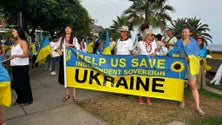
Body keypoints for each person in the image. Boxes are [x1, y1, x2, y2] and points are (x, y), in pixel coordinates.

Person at [171, 26, 205, 116]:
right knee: (180, 84)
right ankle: (182, 101)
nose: (184, 34)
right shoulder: (178, 42)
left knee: (193, 85)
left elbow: (197, 56)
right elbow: (174, 52)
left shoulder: (194, 43)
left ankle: (198, 107)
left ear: (190, 33)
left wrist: (190, 58)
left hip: (190, 66)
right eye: (183, 32)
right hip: (180, 65)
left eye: (186, 32)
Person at [55, 24, 80, 102]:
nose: (67, 30)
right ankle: (67, 94)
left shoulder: (74, 39)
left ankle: (74, 95)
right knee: (65, 77)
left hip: (72, 59)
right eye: (66, 28)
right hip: (64, 58)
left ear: (71, 30)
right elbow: (55, 47)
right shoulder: (61, 38)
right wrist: (58, 50)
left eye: (69, 28)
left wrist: (71, 45)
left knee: (72, 76)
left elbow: (78, 49)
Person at [9, 25, 33, 106]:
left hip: (22, 66)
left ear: (18, 32)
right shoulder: (15, 42)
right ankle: (19, 99)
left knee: (23, 84)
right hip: (15, 66)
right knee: (17, 84)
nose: (12, 33)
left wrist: (15, 56)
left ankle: (26, 100)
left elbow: (26, 54)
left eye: (13, 31)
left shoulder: (23, 42)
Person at [133, 29, 157, 105]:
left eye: (153, 35)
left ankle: (148, 97)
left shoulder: (154, 44)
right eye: (151, 35)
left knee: (149, 81)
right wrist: (135, 53)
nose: (153, 36)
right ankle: (140, 96)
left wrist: (155, 54)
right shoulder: (140, 43)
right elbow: (135, 50)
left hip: (151, 65)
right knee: (141, 80)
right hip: (142, 65)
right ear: (147, 36)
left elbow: (157, 52)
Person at [115, 25, 134, 98]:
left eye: (122, 31)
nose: (121, 32)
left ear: (126, 32)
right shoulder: (118, 40)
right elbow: (116, 50)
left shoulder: (129, 41)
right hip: (118, 61)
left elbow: (131, 52)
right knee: (119, 76)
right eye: (121, 31)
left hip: (126, 61)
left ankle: (126, 92)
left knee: (125, 77)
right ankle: (118, 90)